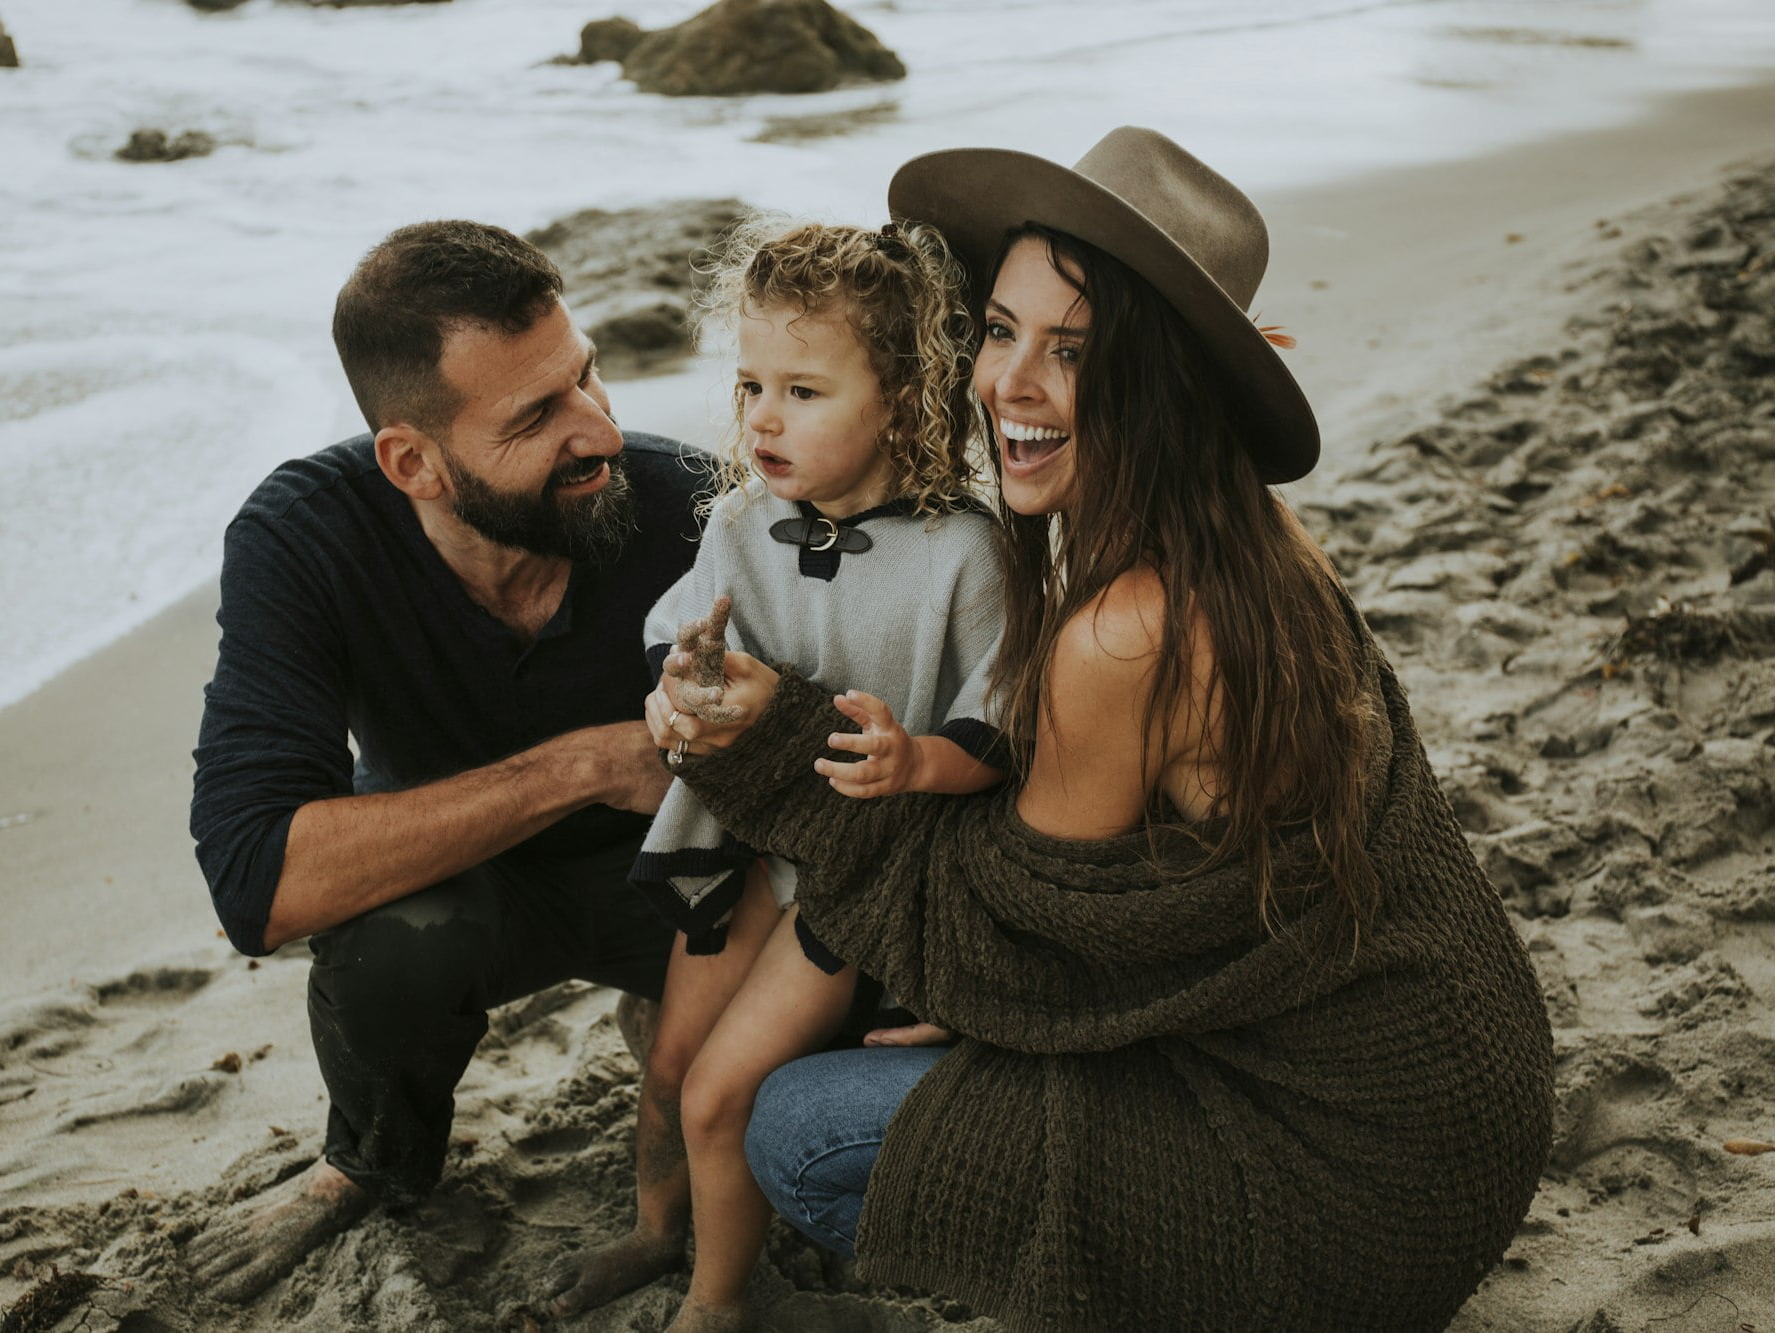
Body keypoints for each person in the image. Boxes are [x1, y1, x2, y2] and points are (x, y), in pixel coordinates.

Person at [647, 127, 1556, 1330]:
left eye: (1070, 352)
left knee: (797, 1128)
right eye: (1001, 329)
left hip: (1346, 1195)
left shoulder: (1124, 629)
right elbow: (1142, 895)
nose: (1008, 384)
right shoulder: (1257, 547)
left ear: (1161, 379)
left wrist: (779, 743)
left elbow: (1025, 932)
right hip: (1458, 1111)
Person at [185, 219, 702, 1310]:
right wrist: (581, 767)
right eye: (536, 416)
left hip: (675, 869)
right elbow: (256, 881)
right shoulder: (303, 539)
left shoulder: (694, 508)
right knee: (393, 949)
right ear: (412, 462)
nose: (599, 429)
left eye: (586, 378)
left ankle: (665, 1014)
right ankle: (367, 1161)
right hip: (467, 882)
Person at [607, 218, 1007, 1333]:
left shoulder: (964, 555)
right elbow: (673, 639)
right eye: (747, 386)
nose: (762, 418)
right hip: (746, 849)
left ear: (899, 398)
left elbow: (1001, 725)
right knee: (673, 1065)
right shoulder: (739, 519)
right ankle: (651, 1230)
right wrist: (674, 684)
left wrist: (914, 756)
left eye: (802, 390)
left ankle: (717, 1299)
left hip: (857, 880)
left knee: (727, 1087)